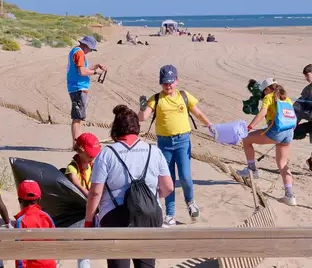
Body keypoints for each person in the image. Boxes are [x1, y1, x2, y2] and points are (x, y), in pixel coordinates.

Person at [85, 105, 174, 268]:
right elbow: (168, 187)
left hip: (116, 216)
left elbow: (95, 193)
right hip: (149, 215)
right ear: (137, 128)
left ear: (115, 130)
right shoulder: (153, 151)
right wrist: (146, 199)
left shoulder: (107, 153)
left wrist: (89, 221)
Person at [138, 65, 212, 226]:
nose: (168, 86)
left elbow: (198, 113)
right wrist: (143, 105)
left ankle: (190, 202)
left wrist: (211, 126)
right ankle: (170, 214)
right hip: (164, 144)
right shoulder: (156, 99)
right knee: (168, 180)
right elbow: (142, 117)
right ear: (160, 83)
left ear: (177, 81)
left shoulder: (184, 96)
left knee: (185, 176)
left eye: (171, 82)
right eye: (165, 83)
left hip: (183, 141)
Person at [236, 78, 297, 206]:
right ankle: (290, 196)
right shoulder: (286, 97)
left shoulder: (269, 97)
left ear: (268, 89)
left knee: (246, 139)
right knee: (282, 163)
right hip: (289, 132)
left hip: (276, 131)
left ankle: (252, 169)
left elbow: (262, 113)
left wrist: (249, 127)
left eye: (264, 91)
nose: (263, 94)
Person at [67, 36, 107, 148]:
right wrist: (95, 72)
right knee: (77, 118)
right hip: (78, 87)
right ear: (86, 46)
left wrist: (96, 66)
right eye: (91, 49)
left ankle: (78, 143)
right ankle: (76, 145)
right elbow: (82, 71)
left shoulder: (76, 51)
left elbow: (83, 67)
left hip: (77, 87)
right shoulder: (79, 53)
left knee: (78, 118)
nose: (90, 51)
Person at [14, 180, 57, 268]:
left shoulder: (20, 221)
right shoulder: (47, 217)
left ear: (19, 200)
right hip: (50, 264)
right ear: (39, 199)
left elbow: (20, 252)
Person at [65, 132, 102, 198]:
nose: (93, 157)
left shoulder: (92, 166)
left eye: (94, 155)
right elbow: (76, 184)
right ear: (80, 151)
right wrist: (90, 196)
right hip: (79, 199)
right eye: (90, 155)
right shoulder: (72, 168)